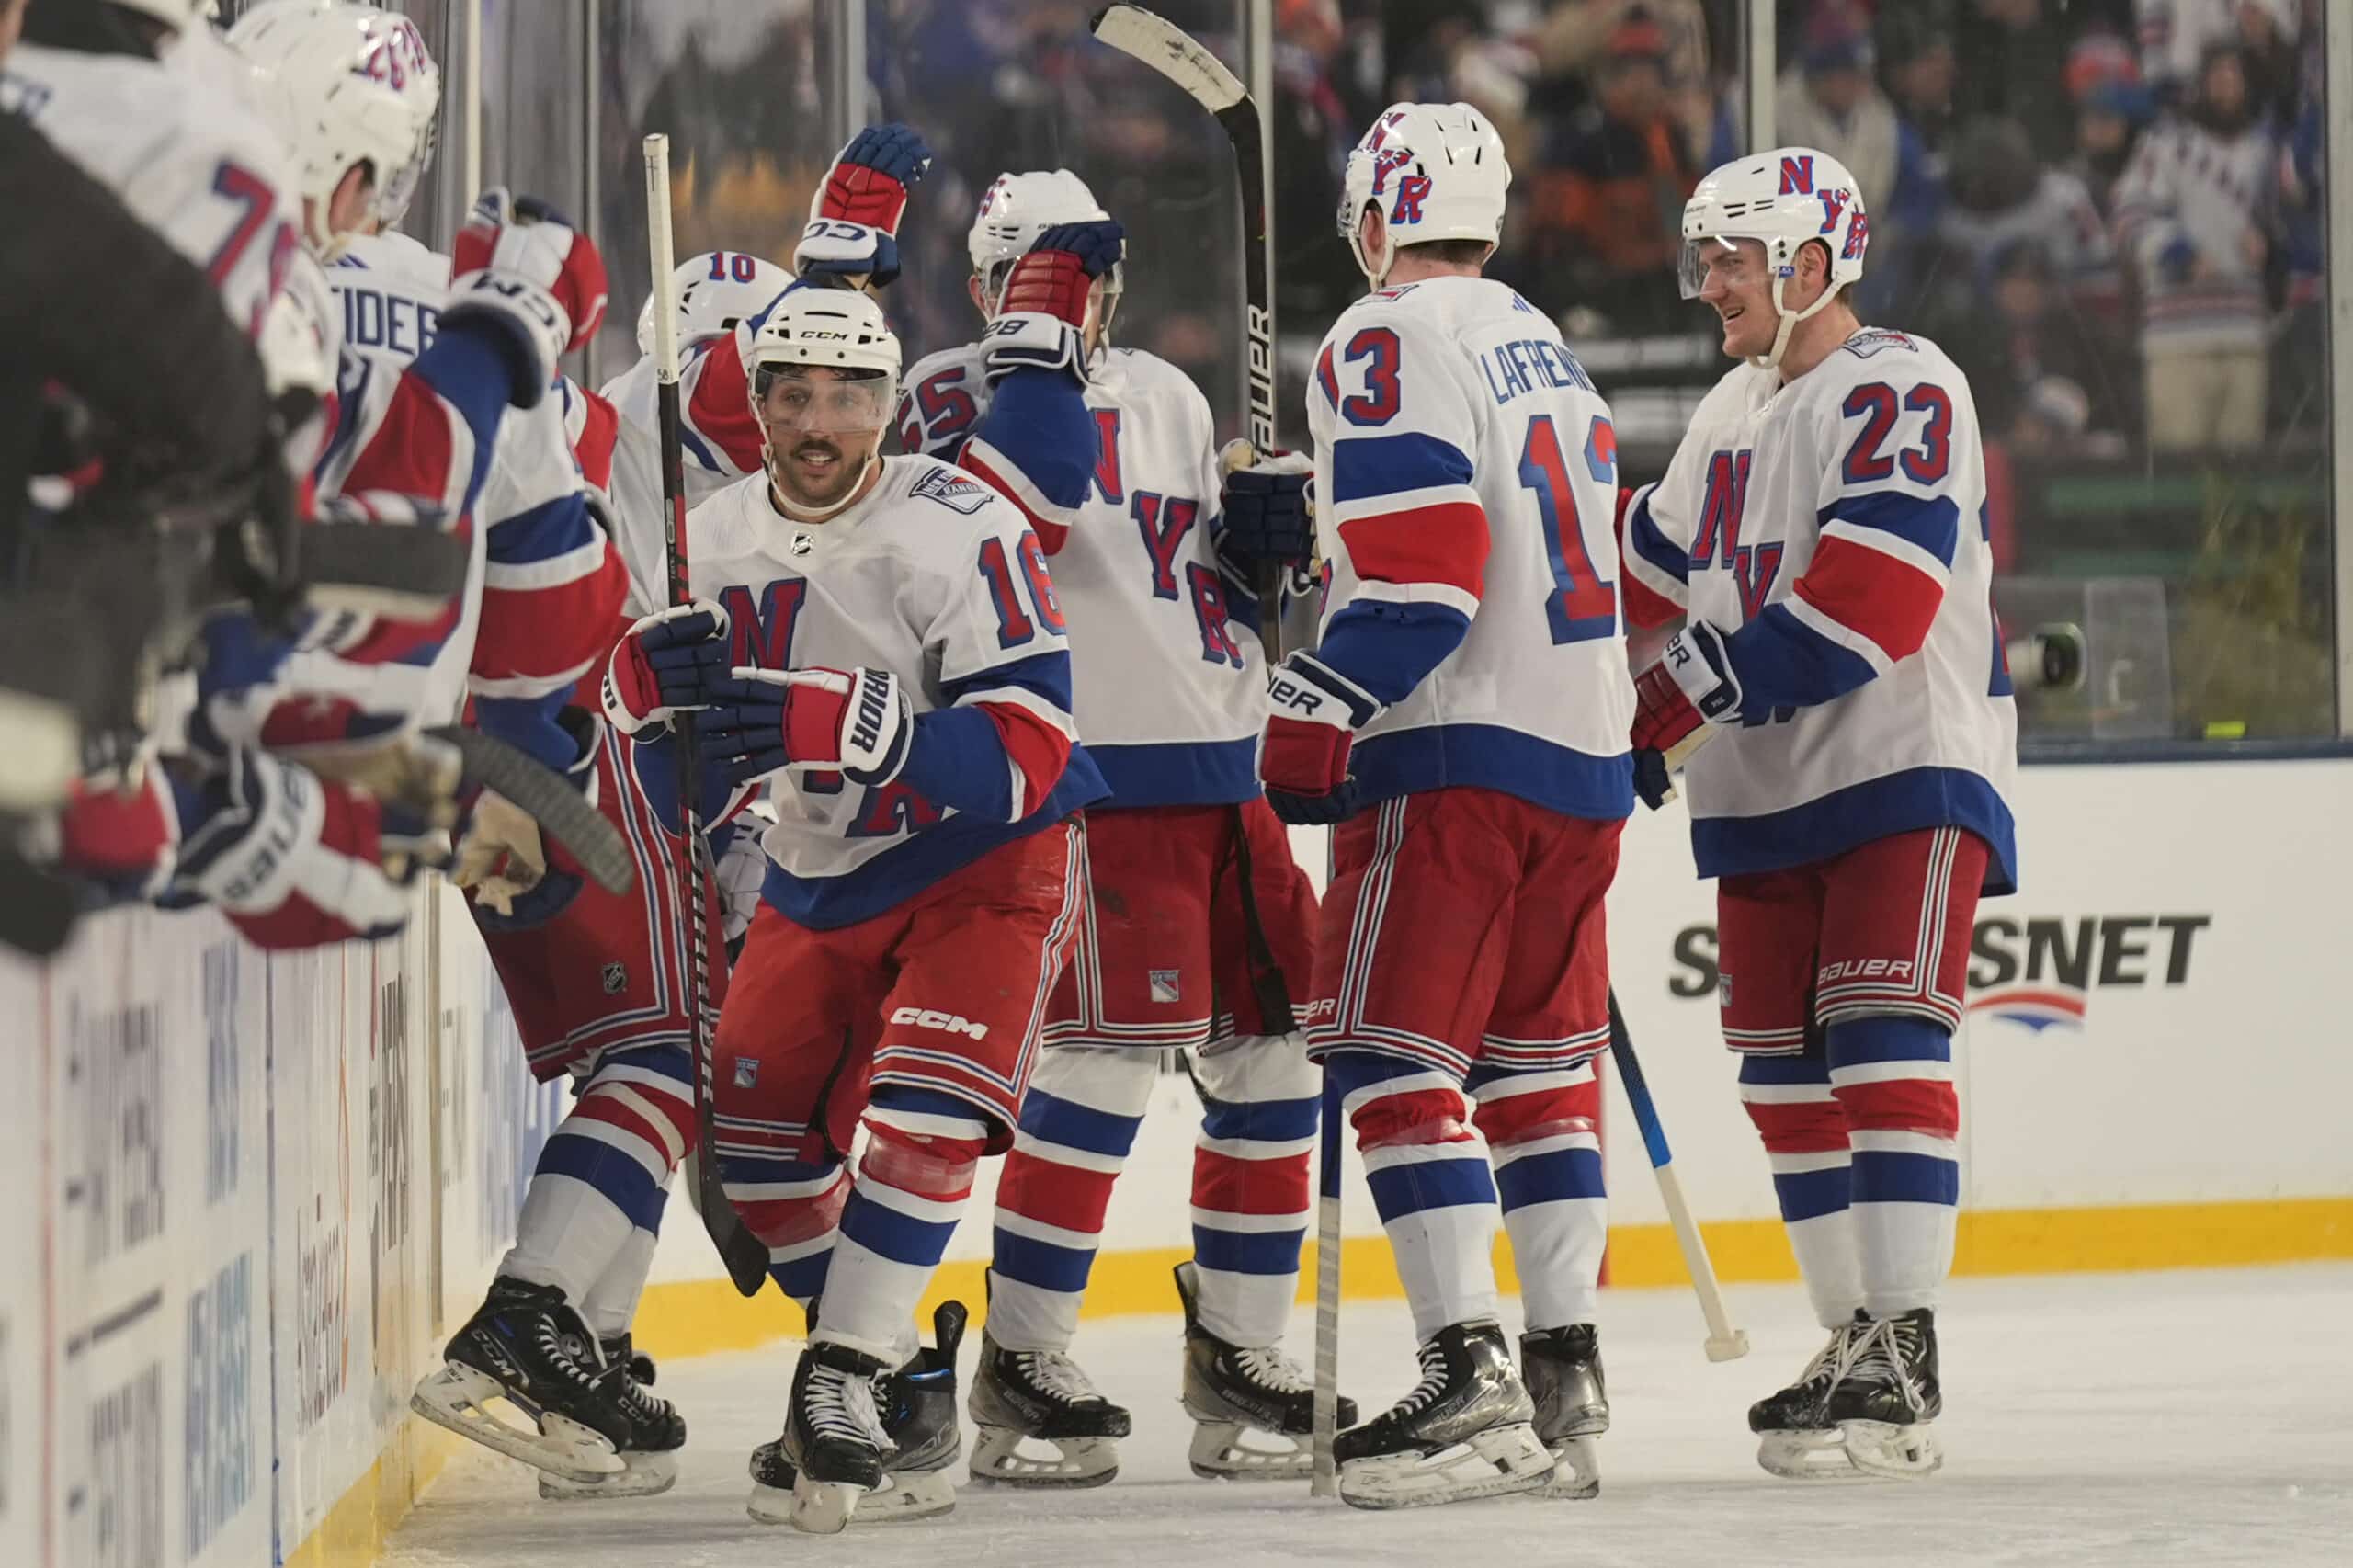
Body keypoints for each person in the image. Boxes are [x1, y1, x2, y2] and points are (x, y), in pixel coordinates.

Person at [600, 284, 1105, 1533]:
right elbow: (666, 772)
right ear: (757, 405)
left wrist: (861, 725)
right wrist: (630, 692)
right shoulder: (704, 540)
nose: (820, 420)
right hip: (821, 873)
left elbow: (1032, 748)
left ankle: (838, 1375)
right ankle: (900, 1372)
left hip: (987, 858)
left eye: (848, 394)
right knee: (762, 1155)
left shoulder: (957, 520)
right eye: (793, 394)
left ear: (887, 404)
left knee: (924, 1113)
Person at [896, 170, 1341, 1487]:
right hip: (1093, 776)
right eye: (1038, 274)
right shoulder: (942, 393)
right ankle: (1026, 1360)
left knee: (1275, 1064)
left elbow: (1214, 588)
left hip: (1224, 763)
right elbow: (972, 553)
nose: (1072, 302)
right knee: (1089, 1075)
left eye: (1084, 276)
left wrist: (1278, 552)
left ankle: (1242, 1350)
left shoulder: (1171, 392)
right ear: (986, 283)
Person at [1617, 145, 2018, 1482]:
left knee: (1878, 1032)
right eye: (1709, 255)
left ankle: (1903, 1341)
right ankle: (1851, 1335)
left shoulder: (1900, 379)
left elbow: (1877, 600)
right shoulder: (1734, 408)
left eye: (1737, 255)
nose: (1713, 279)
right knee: (1781, 1073)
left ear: (1810, 258)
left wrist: (1683, 688)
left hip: (1900, 762)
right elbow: (1648, 571)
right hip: (1767, 785)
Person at [1264, 100, 1634, 1510]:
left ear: (1371, 221)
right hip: (1579, 752)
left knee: (1393, 1058)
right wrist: (1307, 520)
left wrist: (1313, 705)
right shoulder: (1546, 343)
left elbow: (1420, 580)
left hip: (1452, 752)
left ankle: (1461, 1368)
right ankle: (1559, 1367)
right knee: (1540, 1074)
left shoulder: (1381, 334)